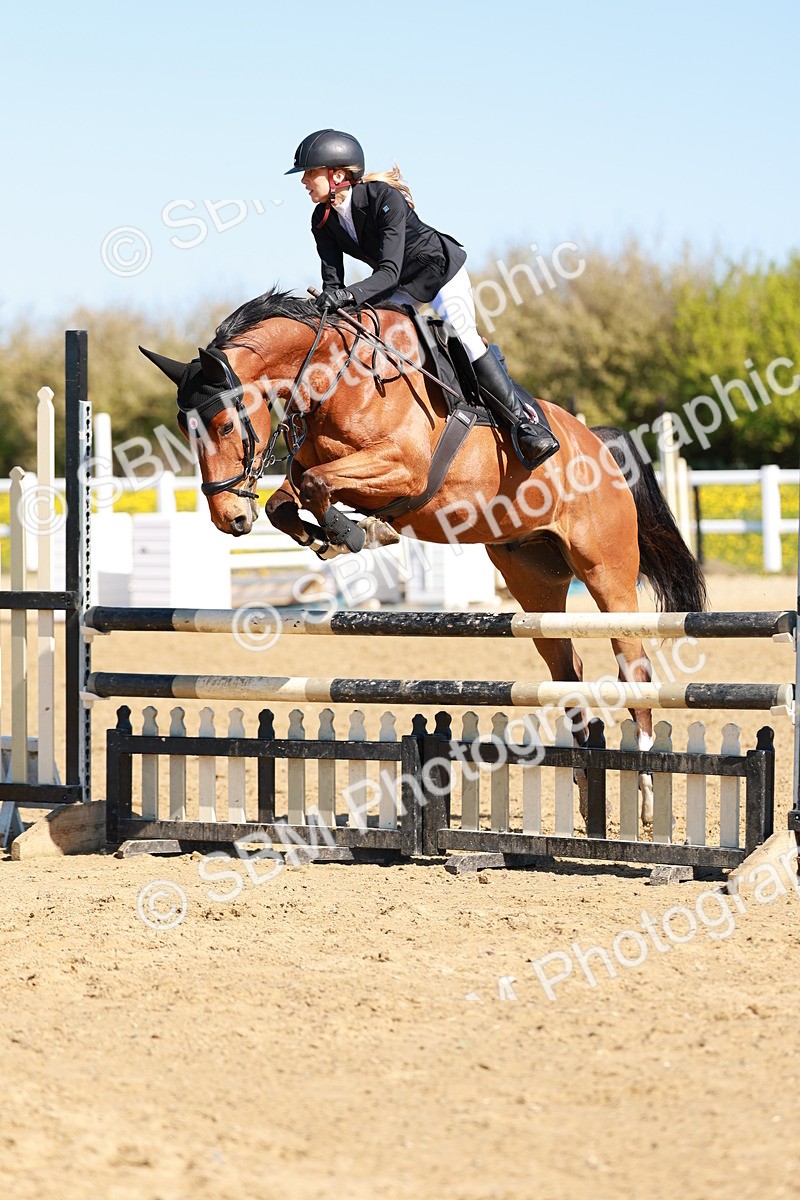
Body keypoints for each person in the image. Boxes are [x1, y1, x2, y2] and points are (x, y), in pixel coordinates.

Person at [286, 128, 559, 471]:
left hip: (439, 272)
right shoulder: (322, 219)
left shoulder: (383, 198)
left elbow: (387, 272)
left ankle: (524, 425)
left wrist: (346, 296)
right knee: (369, 337)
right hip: (399, 284)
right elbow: (333, 281)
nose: (304, 182)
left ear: (337, 175)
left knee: (464, 335)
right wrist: (329, 306)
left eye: (310, 173)